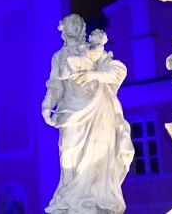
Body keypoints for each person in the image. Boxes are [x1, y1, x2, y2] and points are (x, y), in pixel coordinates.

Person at [42, 16, 133, 214]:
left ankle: (93, 198)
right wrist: (47, 104)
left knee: (97, 153)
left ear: (82, 29)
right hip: (70, 110)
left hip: (98, 108)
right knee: (68, 155)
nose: (75, 27)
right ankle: (69, 198)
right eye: (71, 23)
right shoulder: (58, 57)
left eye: (78, 24)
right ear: (62, 29)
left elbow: (118, 70)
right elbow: (56, 85)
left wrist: (93, 74)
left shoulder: (93, 51)